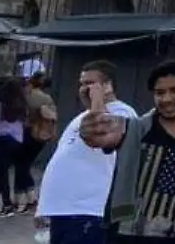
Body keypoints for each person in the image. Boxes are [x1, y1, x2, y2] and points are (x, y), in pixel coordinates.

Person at [79, 59, 175, 244]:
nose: (167, 99)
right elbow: (97, 134)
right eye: (160, 93)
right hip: (124, 235)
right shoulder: (133, 129)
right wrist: (94, 107)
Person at [38, 61, 136, 244]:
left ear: (108, 85)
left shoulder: (123, 112)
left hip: (88, 211)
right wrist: (45, 207)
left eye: (90, 83)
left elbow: (101, 133)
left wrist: (97, 99)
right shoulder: (82, 116)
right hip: (63, 210)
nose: (83, 88)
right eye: (81, 84)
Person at [0, 77, 28, 216]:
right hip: (17, 140)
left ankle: (7, 204)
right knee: (1, 172)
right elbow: (26, 122)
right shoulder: (22, 104)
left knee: (1, 173)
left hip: (2, 138)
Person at [17, 73, 57, 215]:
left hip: (30, 131)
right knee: (24, 164)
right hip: (42, 134)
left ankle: (29, 196)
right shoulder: (47, 98)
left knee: (22, 164)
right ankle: (28, 197)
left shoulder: (30, 95)